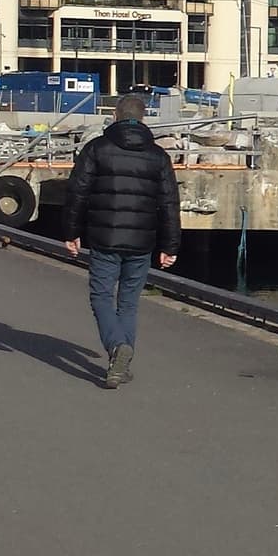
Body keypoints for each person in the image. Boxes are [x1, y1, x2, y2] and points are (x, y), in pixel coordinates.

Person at [64, 118, 183, 390]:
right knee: (128, 303)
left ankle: (117, 347)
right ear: (142, 119)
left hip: (104, 238)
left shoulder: (97, 148)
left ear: (117, 117)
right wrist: (170, 246)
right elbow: (169, 203)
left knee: (102, 297)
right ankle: (121, 364)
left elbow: (77, 192)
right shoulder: (158, 156)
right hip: (142, 241)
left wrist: (71, 232)